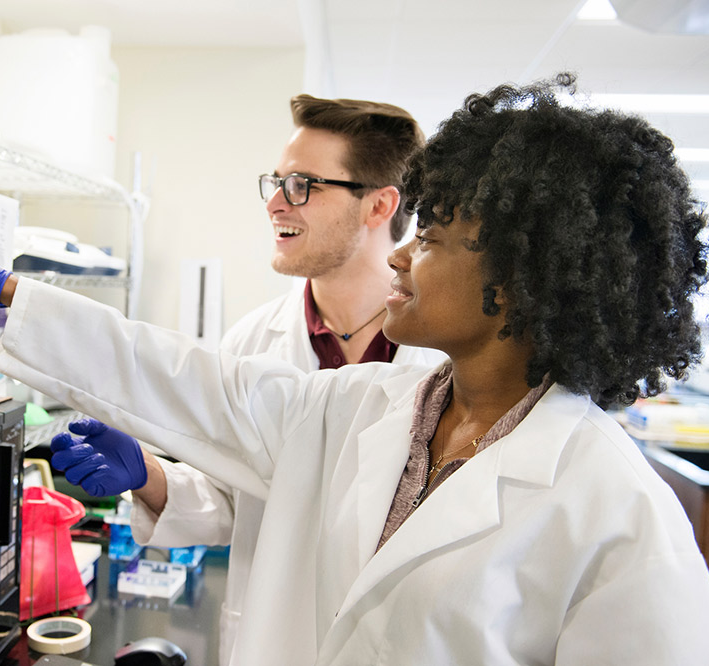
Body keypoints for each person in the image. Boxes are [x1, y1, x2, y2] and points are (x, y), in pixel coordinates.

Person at [0, 73, 709, 665]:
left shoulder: (621, 513)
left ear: (518, 280)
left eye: (430, 239)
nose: (404, 259)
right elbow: (195, 381)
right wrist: (6, 288)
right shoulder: (368, 405)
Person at [51, 93, 445, 666]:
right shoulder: (253, 342)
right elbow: (230, 501)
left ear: (379, 205)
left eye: (303, 186)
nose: (275, 205)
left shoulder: (440, 358)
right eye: (277, 182)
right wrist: (150, 476)